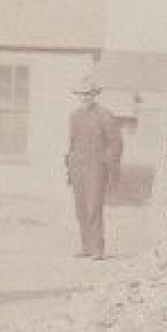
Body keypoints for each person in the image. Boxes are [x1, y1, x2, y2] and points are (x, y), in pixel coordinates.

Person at [65, 73, 121, 259]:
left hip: (96, 167)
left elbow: (116, 143)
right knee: (80, 208)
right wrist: (70, 165)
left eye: (88, 94)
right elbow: (72, 143)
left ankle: (98, 249)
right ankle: (86, 246)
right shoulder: (74, 116)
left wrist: (107, 164)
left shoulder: (105, 115)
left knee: (93, 207)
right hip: (77, 166)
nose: (84, 97)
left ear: (95, 94)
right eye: (81, 94)